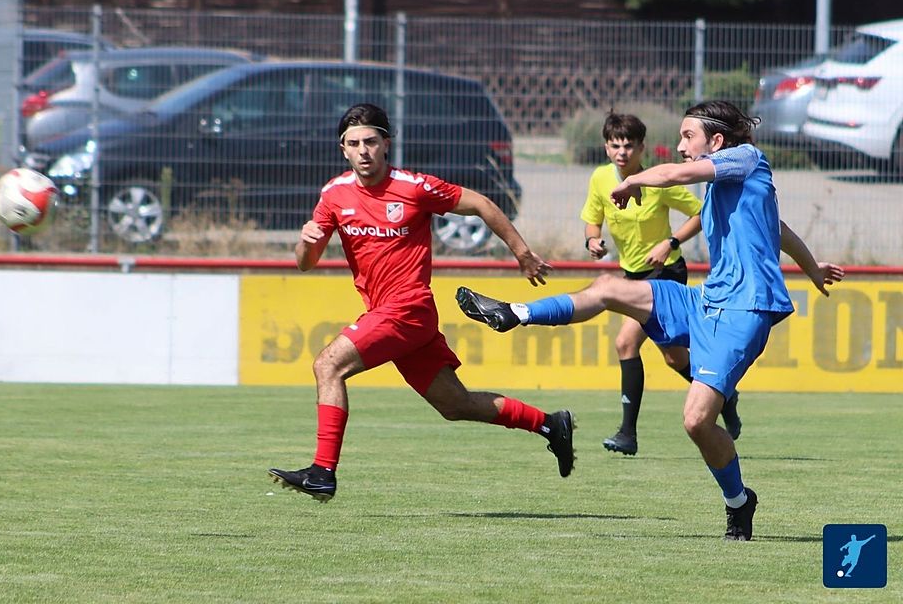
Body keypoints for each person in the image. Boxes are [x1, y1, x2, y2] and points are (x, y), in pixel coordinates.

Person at [457, 100, 845, 540]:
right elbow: (779, 228)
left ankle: (739, 501)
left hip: (744, 312)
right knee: (608, 287)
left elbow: (677, 175)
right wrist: (813, 270)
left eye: (686, 136)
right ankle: (514, 313)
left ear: (716, 141)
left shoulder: (746, 158)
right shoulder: (731, 184)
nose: (679, 147)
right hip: (705, 301)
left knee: (697, 420)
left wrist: (635, 179)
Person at [268, 103, 575, 502]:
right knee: (456, 404)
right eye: (354, 143)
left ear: (386, 144)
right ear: (343, 149)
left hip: (408, 308)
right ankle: (551, 424)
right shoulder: (333, 195)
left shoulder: (413, 187)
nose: (364, 151)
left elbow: (481, 203)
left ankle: (323, 472)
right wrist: (305, 243)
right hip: (391, 316)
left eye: (371, 142)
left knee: (328, 365)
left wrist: (522, 253)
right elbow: (305, 264)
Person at [581, 111, 740, 456]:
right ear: (606, 149)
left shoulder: (655, 182)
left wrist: (670, 242)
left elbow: (702, 213)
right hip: (632, 274)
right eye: (614, 145)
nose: (621, 152)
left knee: (625, 343)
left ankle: (627, 433)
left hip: (665, 272)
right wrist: (592, 241)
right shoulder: (599, 179)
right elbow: (592, 220)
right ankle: (723, 395)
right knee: (673, 358)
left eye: (629, 145)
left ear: (642, 148)